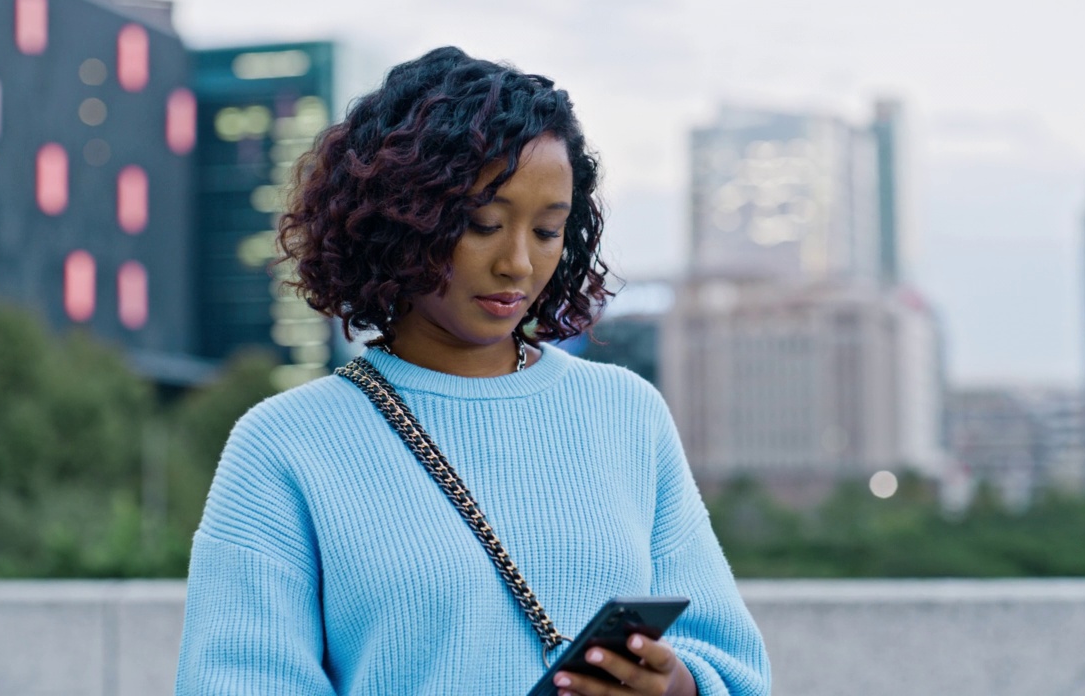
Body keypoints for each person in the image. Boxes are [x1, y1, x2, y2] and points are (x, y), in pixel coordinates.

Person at [175, 46, 770, 696]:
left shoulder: (628, 413)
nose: (517, 264)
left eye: (548, 232)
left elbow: (733, 665)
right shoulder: (285, 444)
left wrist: (676, 686)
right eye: (483, 224)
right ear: (400, 219)